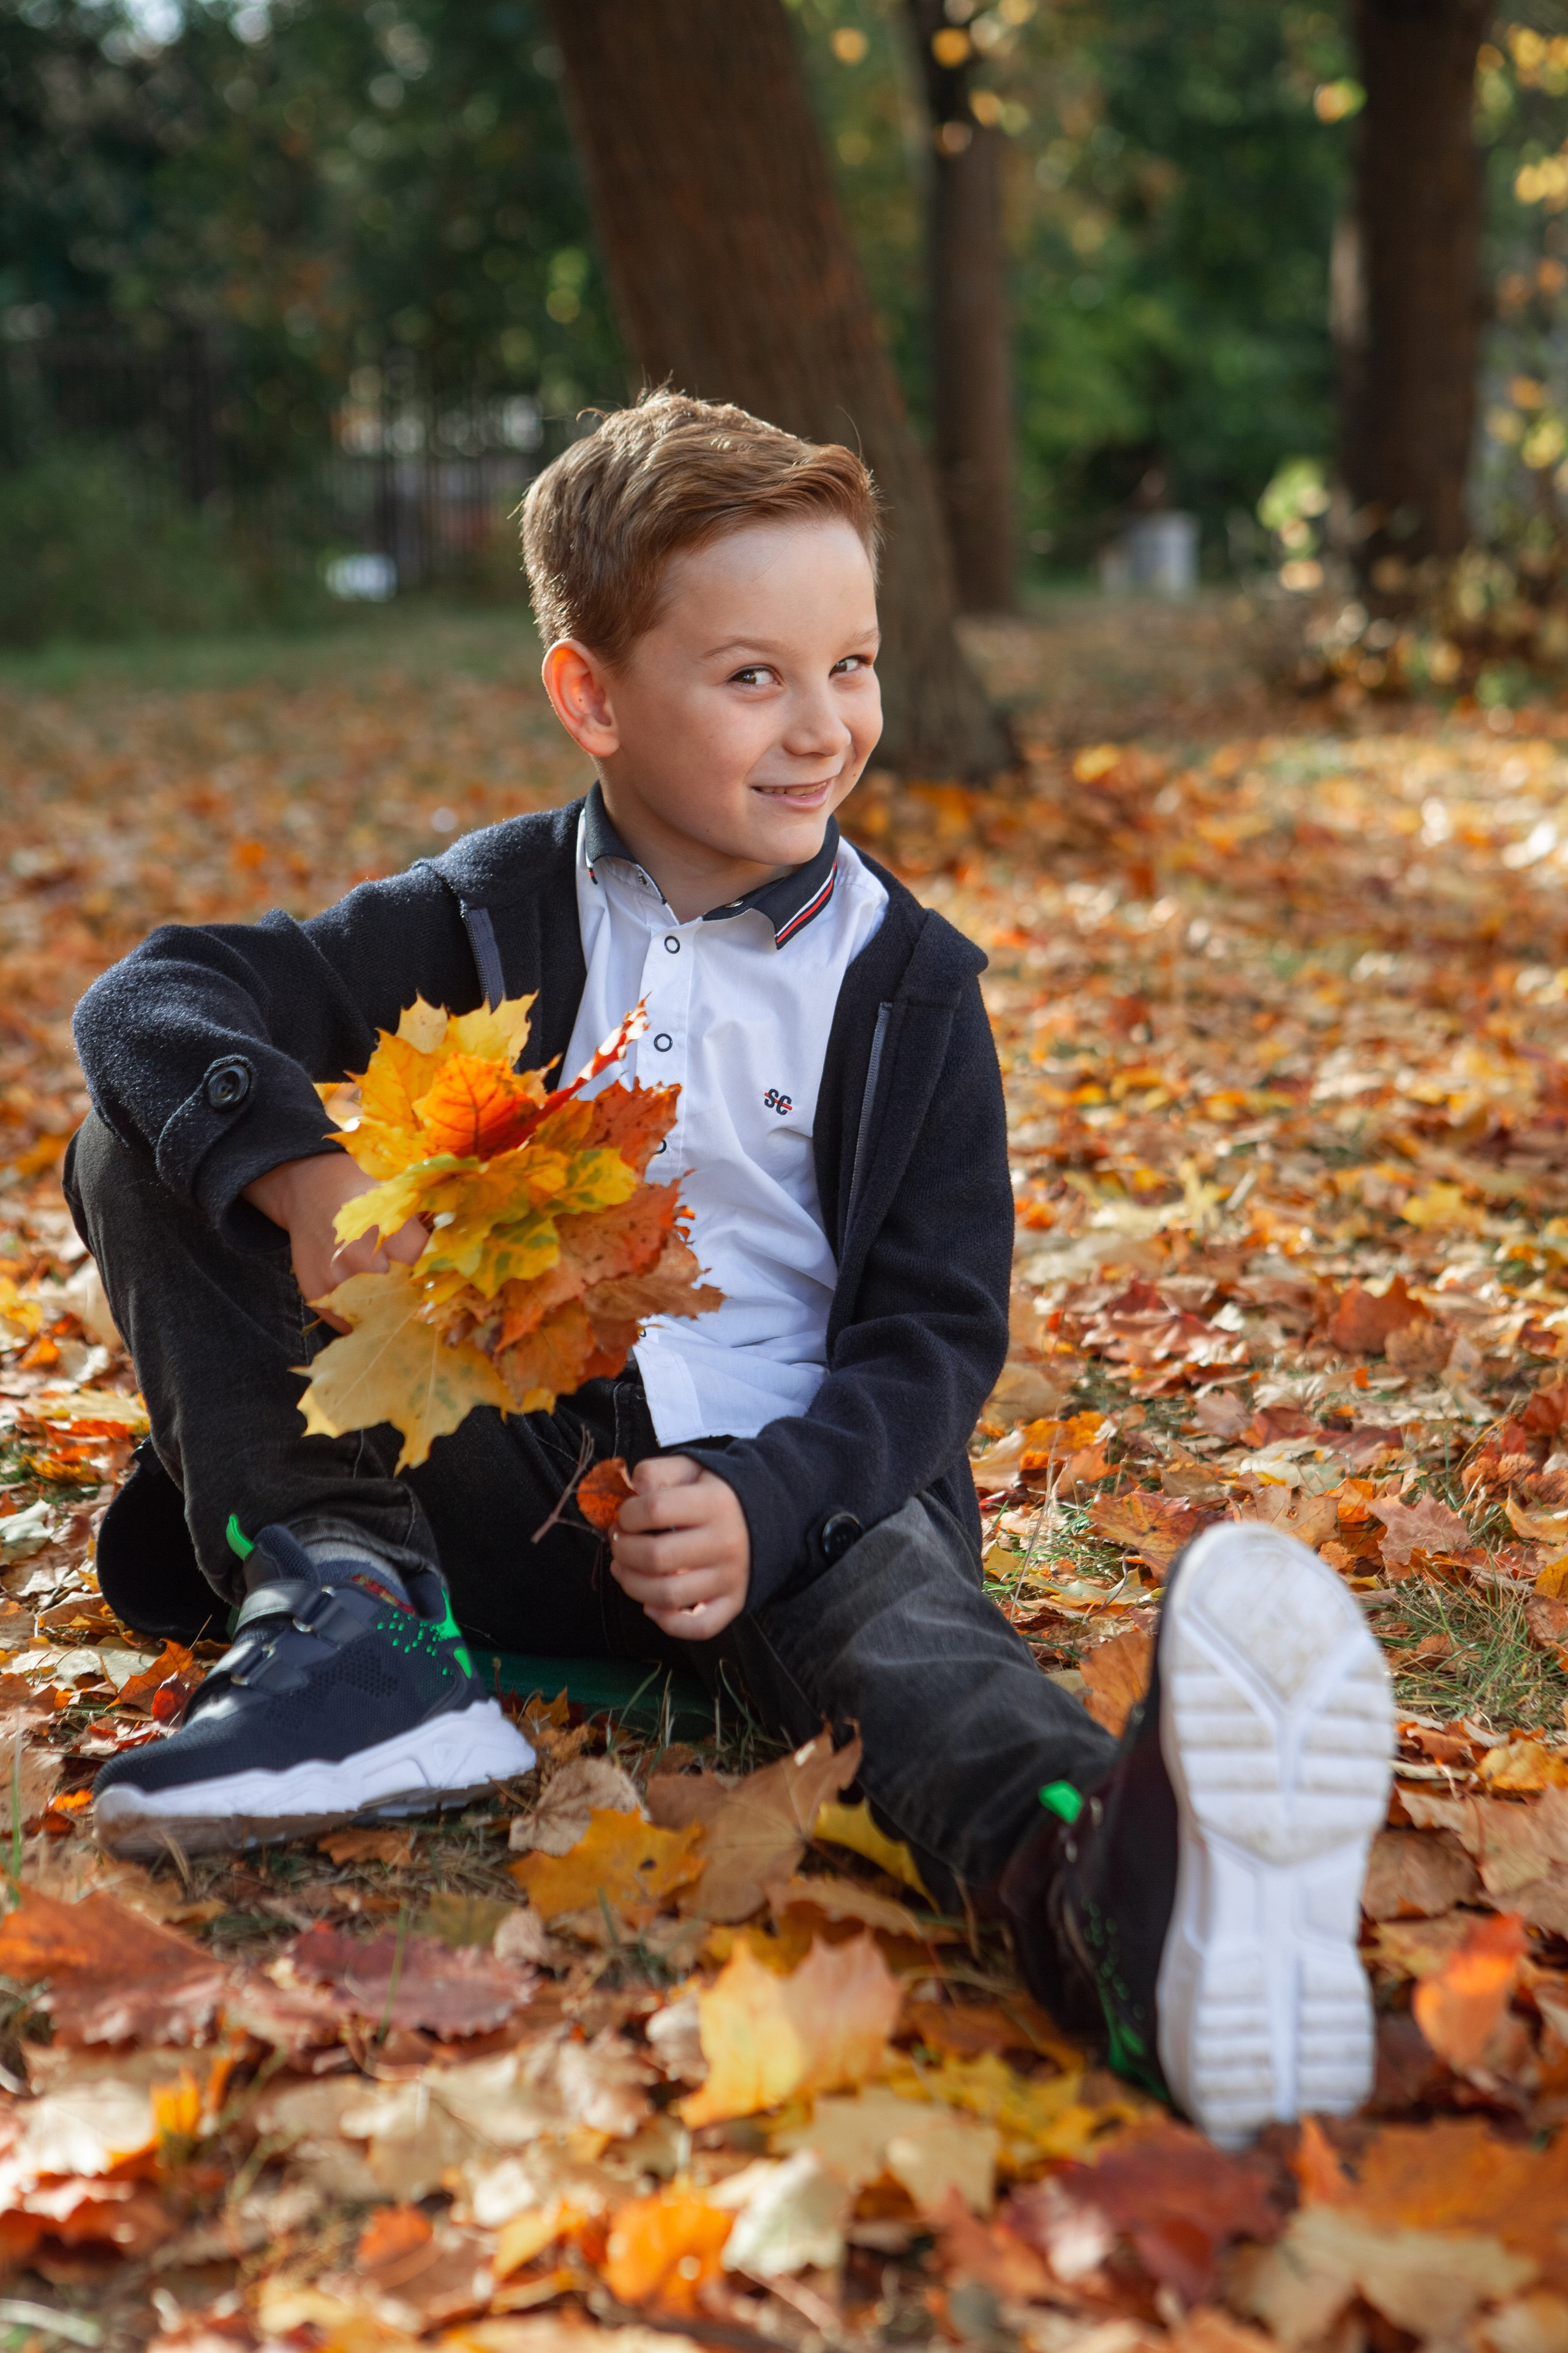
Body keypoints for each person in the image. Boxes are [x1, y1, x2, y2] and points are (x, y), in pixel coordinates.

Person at [67, 391, 1392, 2147]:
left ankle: (1129, 1900)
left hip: (798, 1500)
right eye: (753, 675)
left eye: (849, 665)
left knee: (924, 1665)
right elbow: (147, 998)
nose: (824, 724)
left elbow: (938, 1335)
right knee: (147, 1132)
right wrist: (306, 1180)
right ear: (592, 697)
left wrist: (773, 1501)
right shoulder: (485, 913)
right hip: (495, 1480)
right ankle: (353, 1630)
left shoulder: (908, 986)